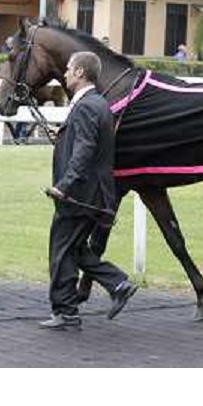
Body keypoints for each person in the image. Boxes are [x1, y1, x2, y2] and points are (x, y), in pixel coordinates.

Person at [40, 51, 137, 330]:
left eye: (70, 69)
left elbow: (85, 151)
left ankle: (67, 311)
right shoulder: (98, 104)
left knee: (60, 248)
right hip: (93, 194)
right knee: (74, 248)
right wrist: (62, 133)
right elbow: (86, 141)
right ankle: (117, 284)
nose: (66, 73)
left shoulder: (85, 106)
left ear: (81, 72)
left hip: (80, 195)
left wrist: (64, 186)